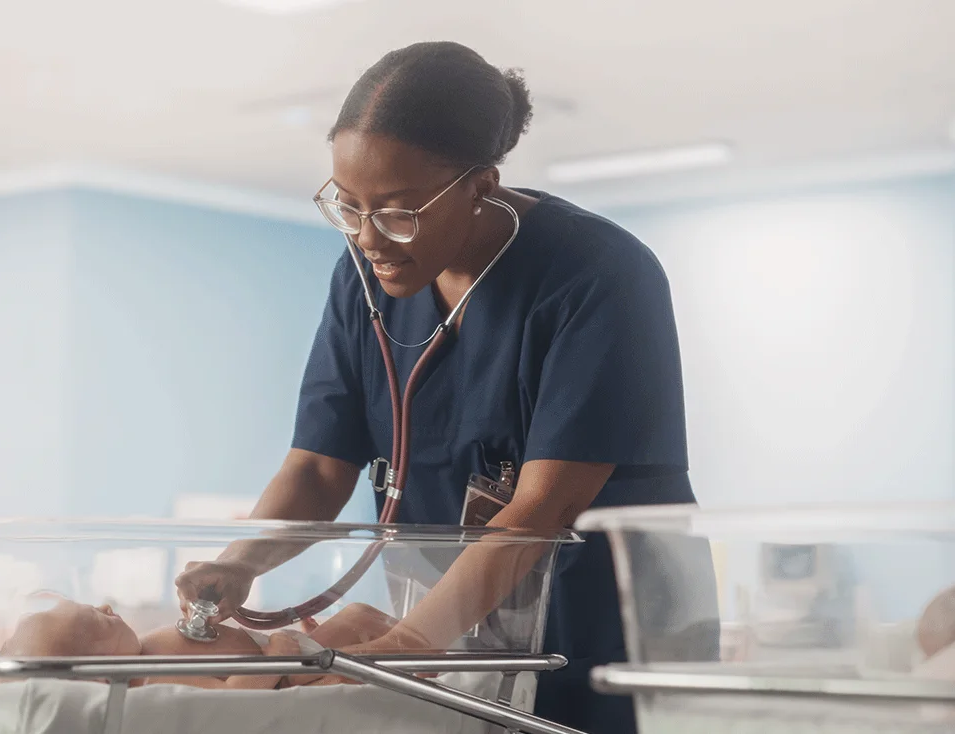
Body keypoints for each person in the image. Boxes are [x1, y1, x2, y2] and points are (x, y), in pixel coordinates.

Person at [175, 40, 697, 734]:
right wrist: (239, 563)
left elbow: (541, 510)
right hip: (447, 623)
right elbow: (318, 465)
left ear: (480, 184)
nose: (369, 237)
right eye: (347, 205)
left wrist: (412, 646)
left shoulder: (598, 275)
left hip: (598, 621)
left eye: (397, 211)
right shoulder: (363, 272)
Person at [0, 598, 401, 690]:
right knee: (361, 624)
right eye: (94, 617)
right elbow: (232, 699)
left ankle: (436, 650)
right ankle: (441, 659)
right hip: (292, 679)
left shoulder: (144, 651)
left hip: (293, 657)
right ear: (99, 671)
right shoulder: (151, 681)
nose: (105, 604)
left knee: (359, 619)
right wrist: (279, 650)